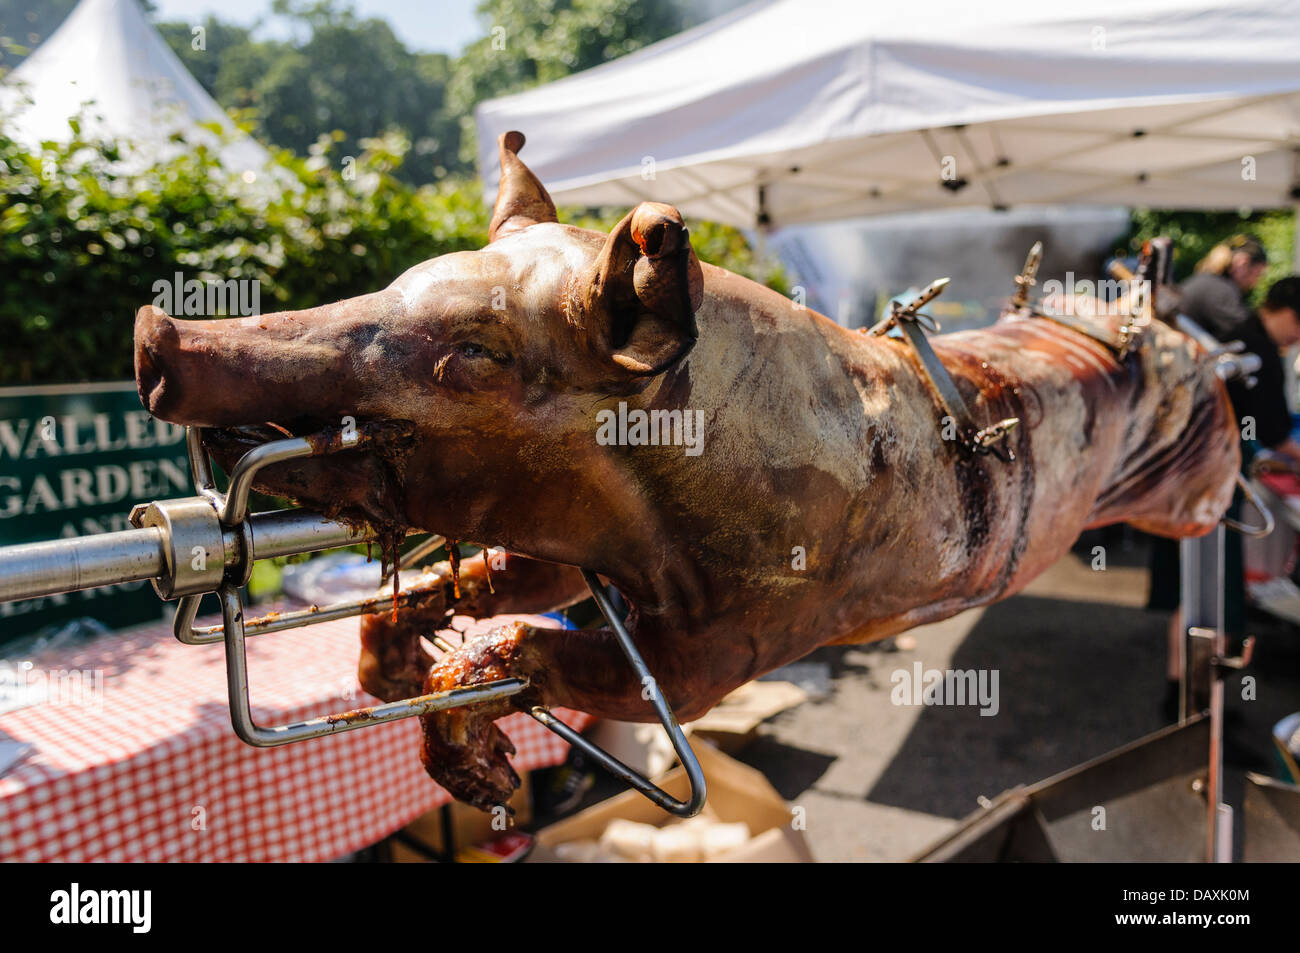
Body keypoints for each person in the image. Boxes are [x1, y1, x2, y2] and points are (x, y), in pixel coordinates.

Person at [1148, 271, 1300, 720]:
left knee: (1197, 597)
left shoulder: (1236, 339)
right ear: (1290, 315)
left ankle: (1190, 701)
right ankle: (1192, 707)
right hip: (1209, 488)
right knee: (1208, 601)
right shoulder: (1253, 351)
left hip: (1198, 484)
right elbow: (1269, 430)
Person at [1177, 234, 1270, 338]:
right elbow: (1247, 332)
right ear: (1243, 262)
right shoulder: (1220, 290)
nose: (1254, 284)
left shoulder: (1207, 282)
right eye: (1257, 275)